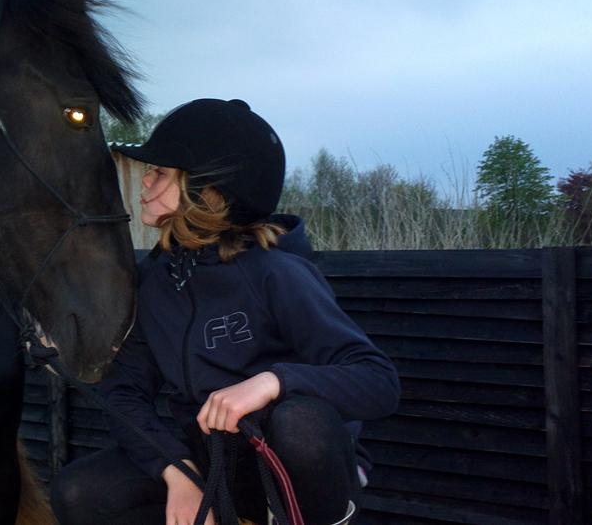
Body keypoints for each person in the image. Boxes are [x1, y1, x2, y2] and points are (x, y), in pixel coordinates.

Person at [50, 99, 400, 525]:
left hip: (293, 465)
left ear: (208, 189)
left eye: (160, 172)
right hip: (209, 460)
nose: (144, 182)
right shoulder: (155, 282)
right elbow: (124, 393)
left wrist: (272, 382)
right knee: (78, 492)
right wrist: (178, 471)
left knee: (299, 422)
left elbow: (378, 379)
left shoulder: (278, 274)